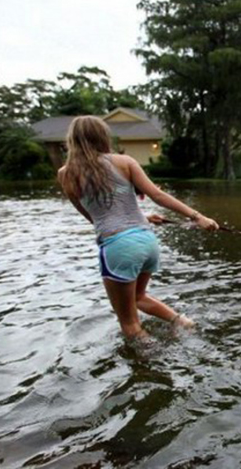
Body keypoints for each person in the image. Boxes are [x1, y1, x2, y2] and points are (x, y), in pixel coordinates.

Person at [57, 116, 219, 340]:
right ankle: (181, 321)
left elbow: (95, 217)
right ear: (102, 136)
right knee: (138, 296)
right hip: (146, 241)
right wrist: (197, 217)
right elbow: (158, 195)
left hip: (117, 247)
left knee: (130, 324)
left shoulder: (65, 174)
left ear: (72, 140)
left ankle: (150, 365)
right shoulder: (124, 162)